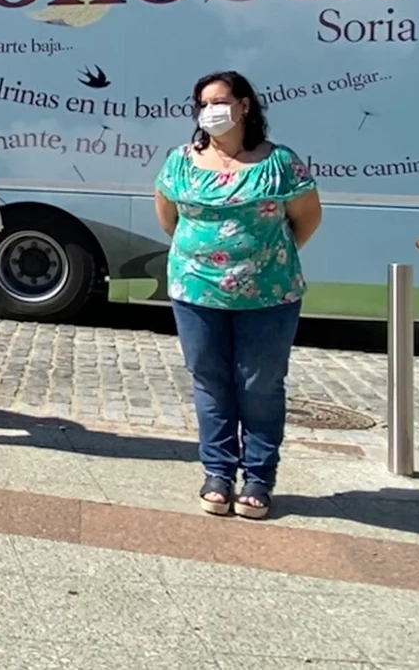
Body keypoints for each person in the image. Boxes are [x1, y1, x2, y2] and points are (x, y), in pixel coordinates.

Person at [153, 70, 323, 519]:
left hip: (269, 293)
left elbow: (307, 218)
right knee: (209, 380)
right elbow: (169, 217)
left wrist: (261, 260)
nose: (211, 110)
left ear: (244, 105)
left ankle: (259, 478)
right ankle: (217, 472)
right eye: (203, 103)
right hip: (195, 292)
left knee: (260, 385)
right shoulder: (180, 160)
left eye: (220, 100)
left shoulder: (280, 162)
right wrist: (203, 258)